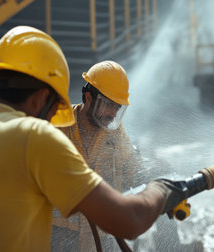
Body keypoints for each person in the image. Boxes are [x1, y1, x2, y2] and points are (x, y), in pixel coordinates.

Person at [0, 26, 185, 252]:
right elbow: (129, 219)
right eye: (53, 109)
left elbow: (133, 171)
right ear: (41, 98)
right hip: (62, 237)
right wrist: (160, 190)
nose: (49, 118)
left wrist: (152, 173)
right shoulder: (37, 136)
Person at [51, 60, 142, 250]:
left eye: (117, 108)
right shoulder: (58, 127)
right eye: (108, 105)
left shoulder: (116, 135)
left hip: (102, 238)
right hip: (59, 236)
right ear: (88, 98)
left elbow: (134, 173)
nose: (112, 113)